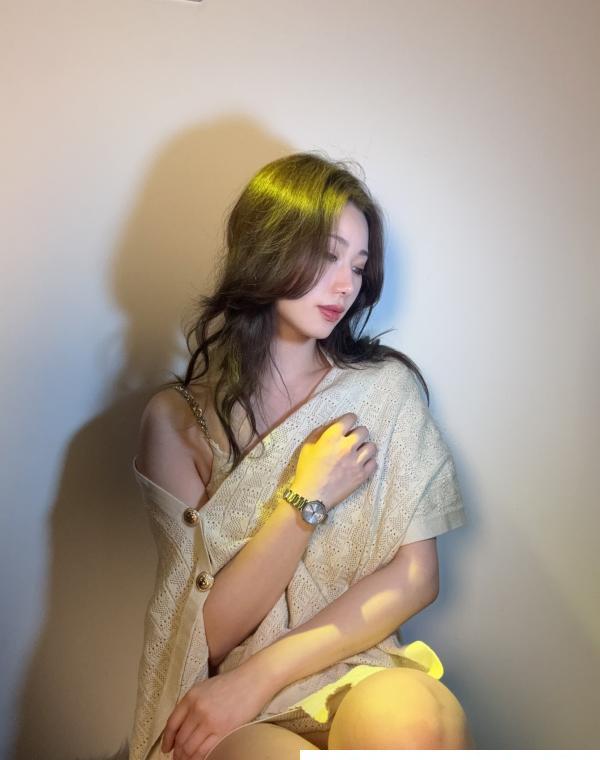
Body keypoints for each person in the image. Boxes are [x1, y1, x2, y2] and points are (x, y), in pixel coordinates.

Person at [130, 152, 472, 760]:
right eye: (328, 255)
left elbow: (418, 577)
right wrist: (305, 498)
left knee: (415, 723)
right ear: (267, 246)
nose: (346, 286)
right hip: (230, 706)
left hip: (354, 666)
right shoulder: (179, 421)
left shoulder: (383, 393)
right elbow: (205, 634)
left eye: (358, 266)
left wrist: (262, 675)